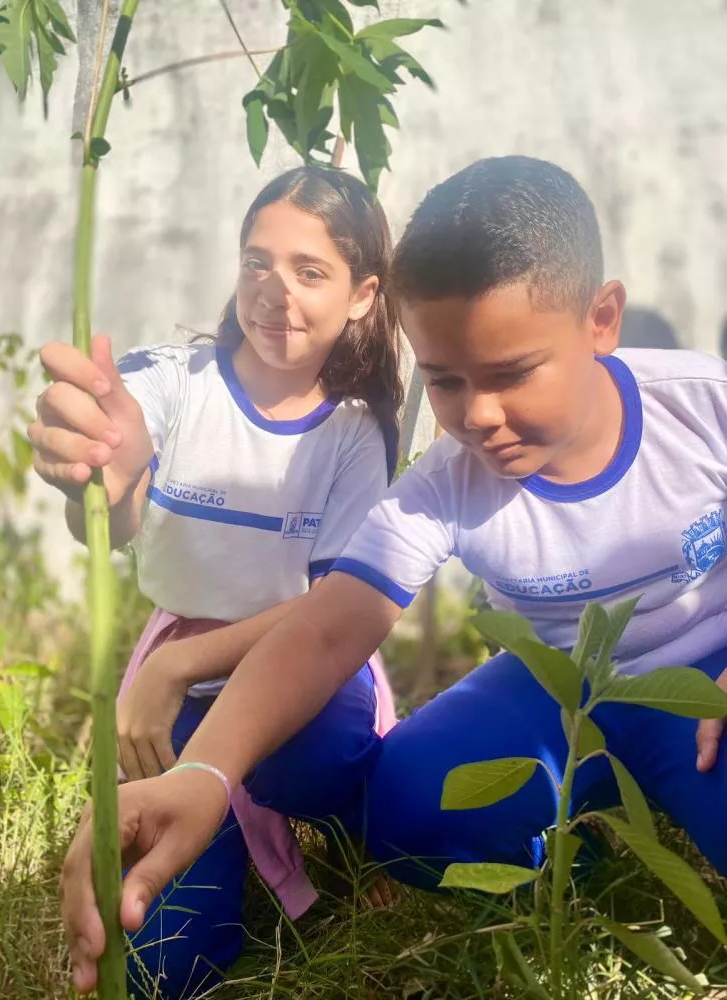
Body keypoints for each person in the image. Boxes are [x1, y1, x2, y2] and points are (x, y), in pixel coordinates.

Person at [61, 155, 727, 992]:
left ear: (600, 320)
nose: (478, 416)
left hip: (705, 683)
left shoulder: (702, 406)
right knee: (405, 812)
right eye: (445, 381)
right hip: (558, 685)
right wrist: (205, 772)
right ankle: (578, 859)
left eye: (512, 374)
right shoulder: (444, 486)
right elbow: (328, 627)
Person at [31, 165, 403, 998]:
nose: (275, 291)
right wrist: (100, 474)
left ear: (361, 295)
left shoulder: (355, 431)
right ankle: (227, 836)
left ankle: (359, 826)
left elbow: (331, 611)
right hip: (185, 679)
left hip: (306, 663)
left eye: (310, 271)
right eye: (257, 262)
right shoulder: (173, 380)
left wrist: (173, 667)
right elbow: (115, 495)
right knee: (162, 965)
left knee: (309, 762)